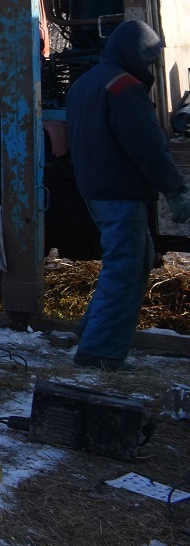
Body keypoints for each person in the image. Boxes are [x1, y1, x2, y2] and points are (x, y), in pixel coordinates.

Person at [65, 20, 190, 371]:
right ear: (135, 55)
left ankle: (89, 332)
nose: (150, 67)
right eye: (149, 59)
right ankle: (99, 353)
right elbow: (148, 146)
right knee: (126, 268)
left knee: (131, 262)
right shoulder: (124, 87)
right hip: (119, 192)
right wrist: (174, 190)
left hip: (94, 190)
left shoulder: (85, 83)